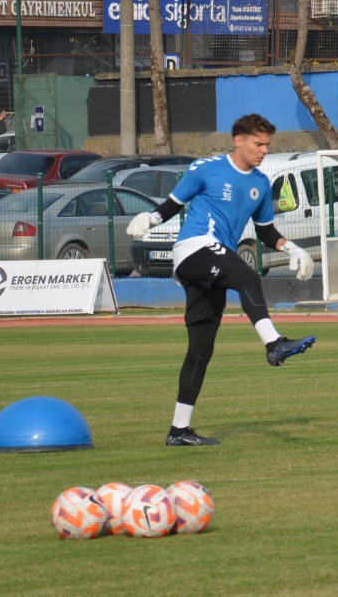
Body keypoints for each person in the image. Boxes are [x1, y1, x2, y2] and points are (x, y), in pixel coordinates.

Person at [127, 113, 317, 446]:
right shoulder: (206, 168)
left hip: (214, 261)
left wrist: (292, 249)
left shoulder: (260, 183)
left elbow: (266, 231)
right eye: (258, 143)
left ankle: (179, 431)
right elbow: (174, 203)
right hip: (194, 248)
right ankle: (274, 344)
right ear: (238, 140)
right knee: (247, 277)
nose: (263, 150)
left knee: (200, 350)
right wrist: (151, 218)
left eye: (267, 145)